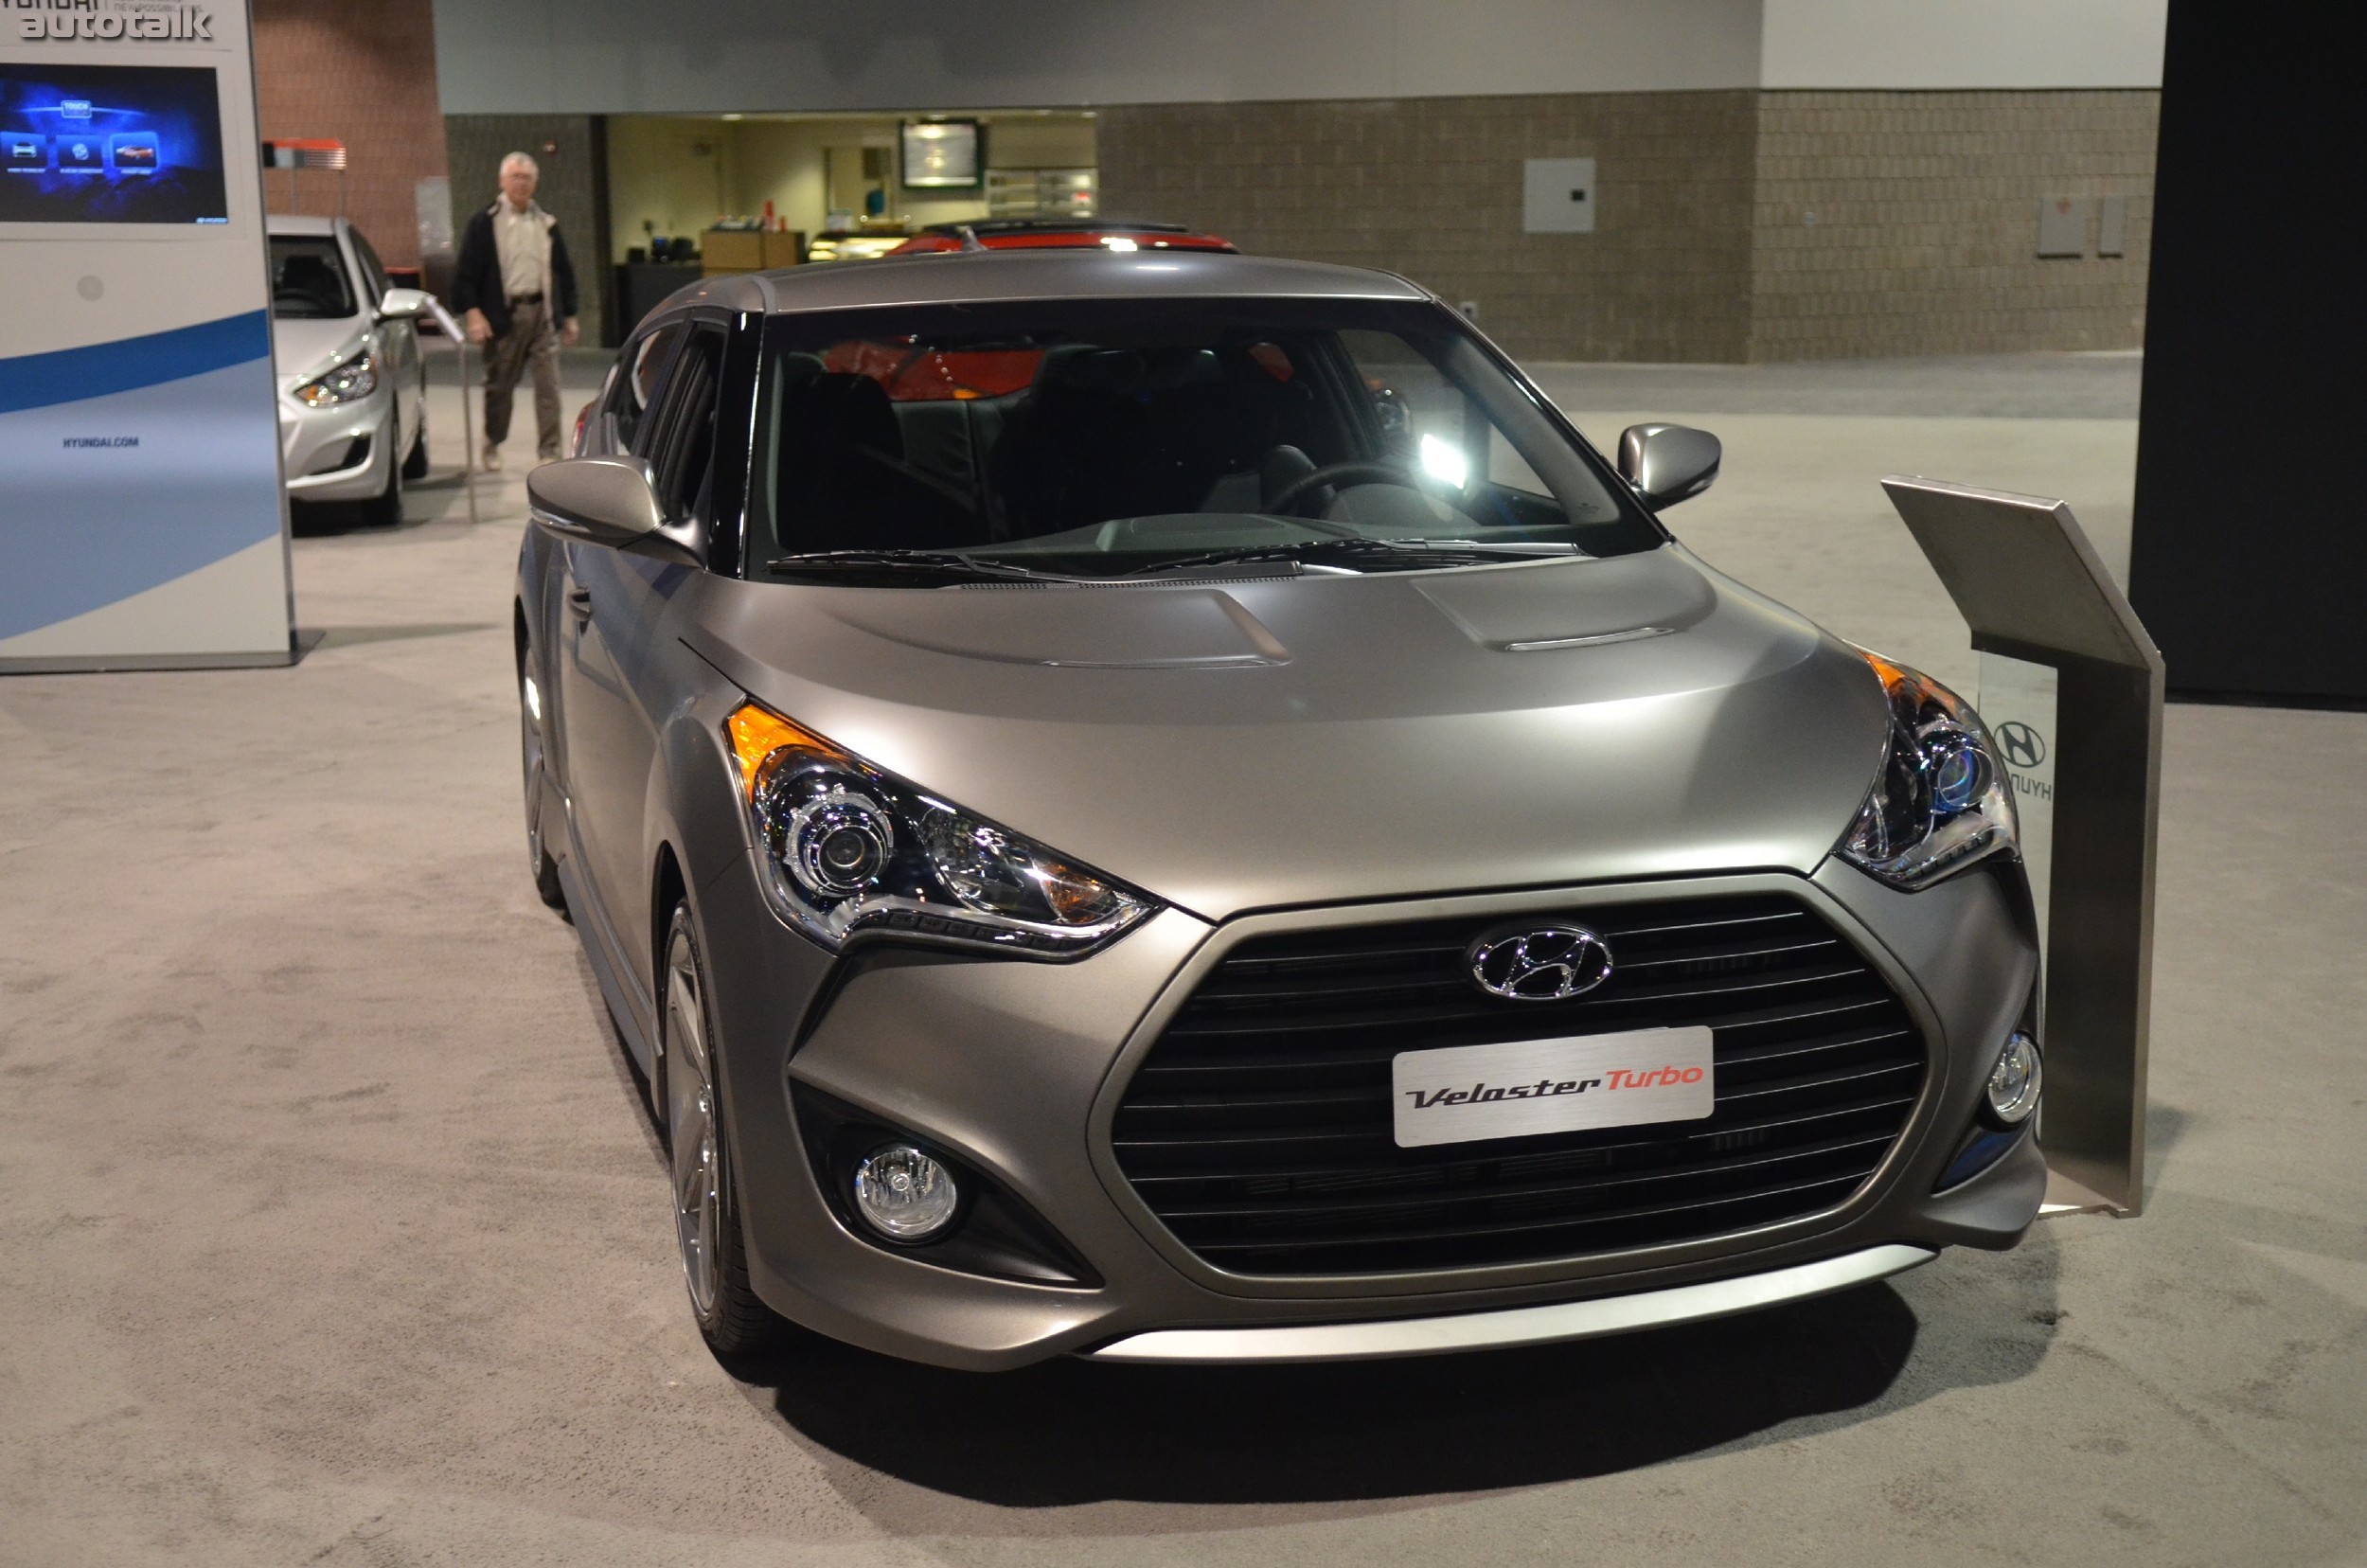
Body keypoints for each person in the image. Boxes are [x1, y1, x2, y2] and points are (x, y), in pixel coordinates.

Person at [451, 151, 580, 471]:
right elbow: (466, 274)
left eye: (527, 178)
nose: (521, 183)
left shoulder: (546, 223)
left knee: (549, 387)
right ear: (502, 181)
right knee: (499, 387)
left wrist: (571, 315)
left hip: (542, 314)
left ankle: (549, 450)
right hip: (503, 317)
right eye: (515, 177)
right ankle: (493, 441)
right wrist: (473, 314)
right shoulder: (485, 223)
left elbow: (563, 271)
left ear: (535, 184)